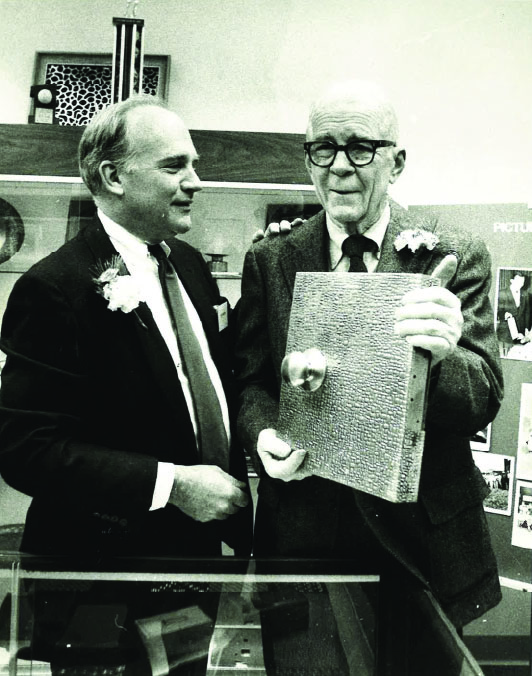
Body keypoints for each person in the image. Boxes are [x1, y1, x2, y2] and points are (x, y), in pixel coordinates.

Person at [234, 79, 504, 629]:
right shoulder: (271, 257)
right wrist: (262, 434)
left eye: (360, 148)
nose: (339, 166)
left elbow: (483, 397)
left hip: (422, 542)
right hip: (303, 534)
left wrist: (441, 359)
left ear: (396, 163)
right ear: (308, 159)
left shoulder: (453, 253)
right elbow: (251, 381)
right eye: (323, 149)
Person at [0, 95, 252, 559]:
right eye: (174, 166)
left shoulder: (190, 265)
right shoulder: (53, 287)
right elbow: (25, 450)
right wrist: (171, 485)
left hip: (198, 552)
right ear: (114, 177)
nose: (195, 182)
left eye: (193, 165)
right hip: (103, 565)